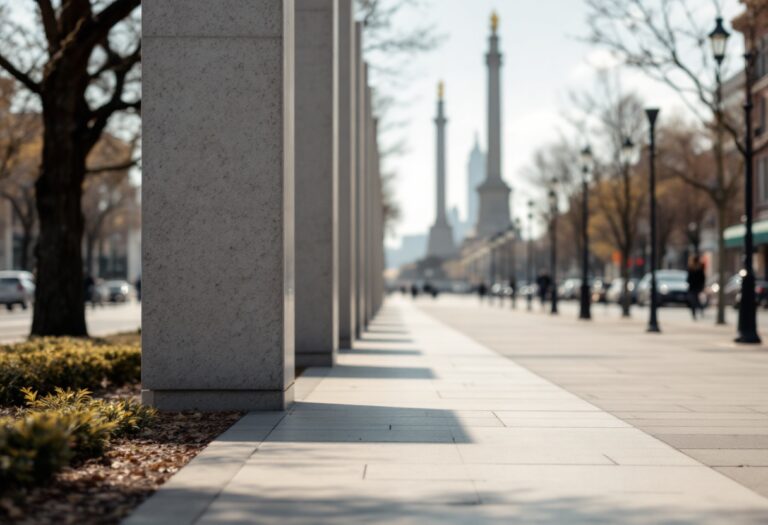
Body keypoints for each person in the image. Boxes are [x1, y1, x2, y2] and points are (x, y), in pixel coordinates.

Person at [687, 255, 706, 320]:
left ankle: (695, 312)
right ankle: (700, 310)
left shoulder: (692, 268)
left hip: (693, 287)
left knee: (694, 301)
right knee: (696, 300)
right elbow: (703, 278)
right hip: (697, 287)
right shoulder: (699, 268)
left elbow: (688, 279)